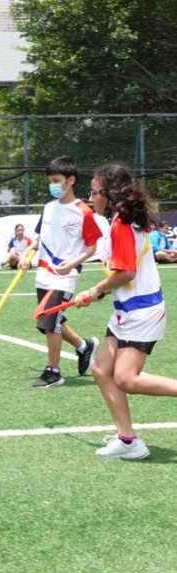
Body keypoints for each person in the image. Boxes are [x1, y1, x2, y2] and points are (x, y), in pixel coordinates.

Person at [74, 163, 177, 460]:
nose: (90, 197)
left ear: (109, 194)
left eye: (94, 192)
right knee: (101, 369)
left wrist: (95, 290)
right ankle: (129, 440)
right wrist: (103, 290)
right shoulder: (126, 219)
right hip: (126, 311)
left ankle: (130, 440)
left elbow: (127, 272)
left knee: (126, 379)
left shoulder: (121, 224)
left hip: (141, 312)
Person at [20, 155, 102, 388]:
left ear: (70, 180)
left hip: (65, 276)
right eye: (51, 181)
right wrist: (27, 255)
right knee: (48, 320)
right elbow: (38, 238)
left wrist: (73, 262)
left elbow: (92, 245)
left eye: (57, 180)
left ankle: (53, 372)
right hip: (43, 273)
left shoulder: (83, 212)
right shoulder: (48, 208)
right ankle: (83, 346)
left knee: (49, 320)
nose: (53, 185)